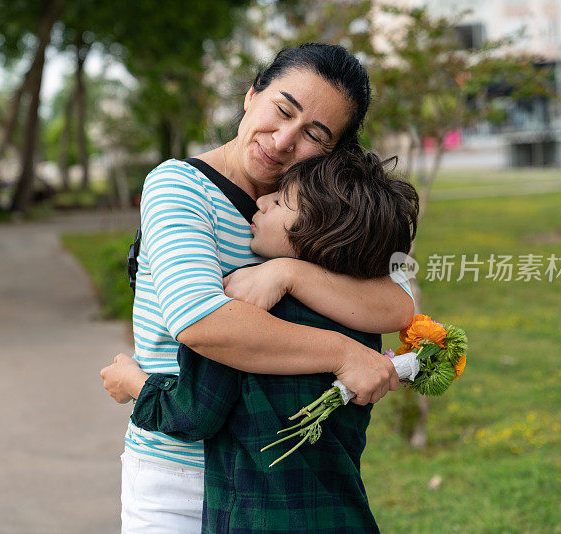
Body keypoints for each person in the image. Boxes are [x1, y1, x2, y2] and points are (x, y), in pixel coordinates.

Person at [100, 44, 414, 532]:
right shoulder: (181, 187)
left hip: (275, 480)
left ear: (335, 151)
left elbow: (397, 303)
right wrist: (341, 352)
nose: (284, 140)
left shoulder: (314, 211)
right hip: (180, 474)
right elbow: (203, 322)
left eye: (314, 134)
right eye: (282, 110)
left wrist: (291, 273)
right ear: (251, 95)